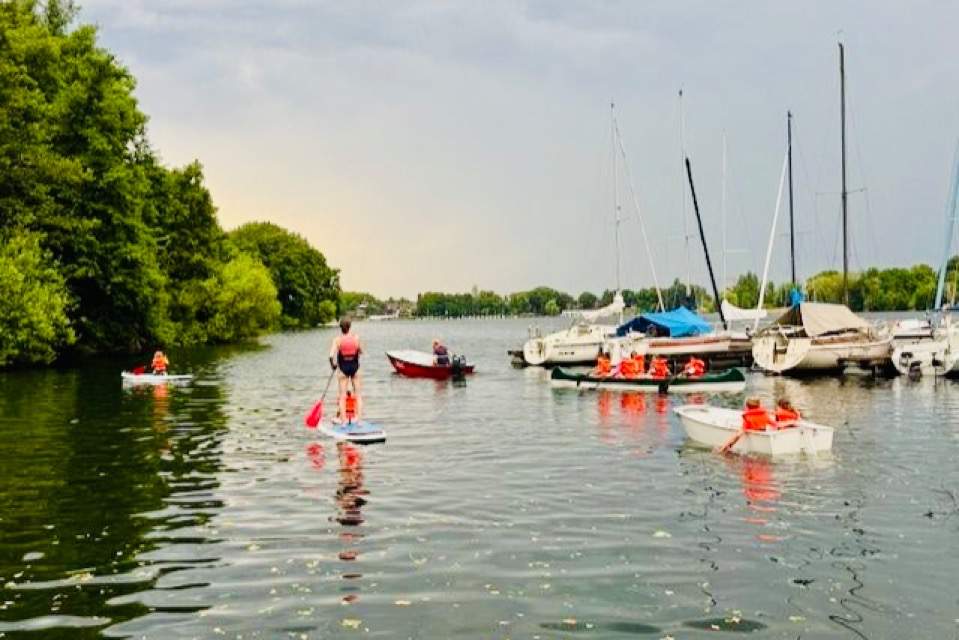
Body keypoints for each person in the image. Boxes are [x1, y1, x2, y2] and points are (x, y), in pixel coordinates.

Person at [330, 318, 362, 423]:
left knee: (342, 396)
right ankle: (359, 420)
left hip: (343, 368)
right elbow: (360, 351)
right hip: (355, 367)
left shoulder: (337, 340)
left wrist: (333, 365)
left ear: (341, 328)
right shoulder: (356, 337)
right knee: (358, 395)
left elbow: (331, 356)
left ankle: (343, 422)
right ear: (350, 327)